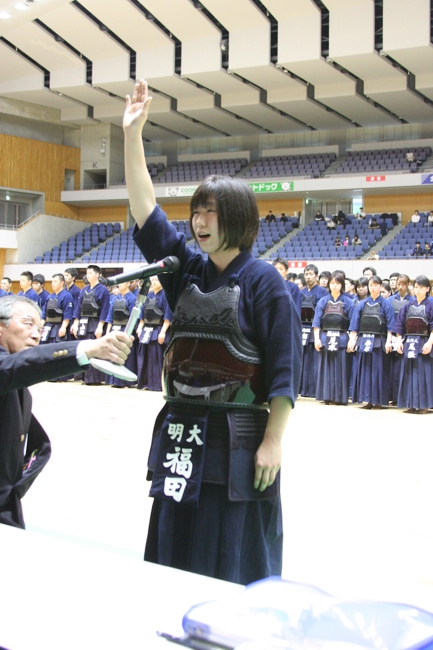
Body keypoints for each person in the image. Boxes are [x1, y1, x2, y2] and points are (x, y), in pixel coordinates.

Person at [123, 79, 302, 585]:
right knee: (174, 542)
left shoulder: (266, 283)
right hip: (182, 430)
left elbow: (285, 373)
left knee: (230, 549)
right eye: (196, 212)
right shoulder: (183, 270)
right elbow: (145, 209)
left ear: (237, 219)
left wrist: (273, 442)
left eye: (211, 212)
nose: (199, 221)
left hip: (237, 438)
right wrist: (132, 136)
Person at [0, 295, 132, 529]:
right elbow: (14, 367)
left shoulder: (16, 374)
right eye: (28, 323)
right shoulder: (9, 367)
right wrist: (87, 348)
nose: (36, 334)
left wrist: (15, 486)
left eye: (39, 327)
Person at [348, 276, 395, 409]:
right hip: (363, 341)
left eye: (375, 285)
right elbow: (355, 324)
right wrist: (352, 340)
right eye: (371, 285)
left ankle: (378, 401)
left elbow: (391, 326)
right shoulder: (362, 304)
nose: (373, 288)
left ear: (380, 286)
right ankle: (367, 400)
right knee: (365, 371)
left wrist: (389, 341)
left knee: (378, 371)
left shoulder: (386, 304)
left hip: (379, 341)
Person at [313, 272, 354, 406]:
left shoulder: (348, 302)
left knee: (340, 369)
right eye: (332, 283)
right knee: (326, 368)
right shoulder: (323, 301)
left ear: (342, 285)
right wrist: (317, 339)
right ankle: (326, 396)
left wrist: (352, 340)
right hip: (325, 337)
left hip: (341, 338)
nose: (334, 286)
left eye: (337, 283)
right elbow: (316, 323)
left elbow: (353, 324)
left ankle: (339, 397)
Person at [395, 275, 433, 414]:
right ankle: (410, 403)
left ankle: (424, 405)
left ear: (427, 289)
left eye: (421, 287)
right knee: (409, 373)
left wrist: (430, 342)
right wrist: (398, 340)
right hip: (409, 342)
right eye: (416, 287)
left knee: (423, 374)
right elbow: (399, 325)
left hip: (423, 342)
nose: (417, 290)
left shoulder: (431, 305)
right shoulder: (408, 305)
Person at [71, 265, 111, 385]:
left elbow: (105, 309)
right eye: (86, 273)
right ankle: (85, 377)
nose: (87, 275)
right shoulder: (84, 290)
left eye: (90, 273)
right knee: (83, 350)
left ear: (97, 275)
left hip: (95, 322)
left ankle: (96, 378)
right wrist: (76, 322)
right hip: (84, 323)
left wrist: (100, 326)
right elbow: (78, 307)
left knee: (94, 350)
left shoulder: (103, 290)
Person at [136, 276, 172, 391]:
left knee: (158, 358)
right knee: (146, 358)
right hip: (147, 330)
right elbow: (142, 315)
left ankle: (159, 384)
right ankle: (147, 383)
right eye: (152, 281)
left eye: (156, 280)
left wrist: (163, 332)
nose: (154, 282)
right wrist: (139, 328)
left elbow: (168, 316)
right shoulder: (148, 295)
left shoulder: (166, 295)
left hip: (159, 329)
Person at [300, 264, 328, 398]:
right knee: (303, 360)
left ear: (316, 276)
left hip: (316, 330)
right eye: (306, 274)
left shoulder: (323, 292)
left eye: (311, 274)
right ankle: (302, 389)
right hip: (302, 328)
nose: (308, 277)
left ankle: (314, 390)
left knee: (314, 361)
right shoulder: (301, 292)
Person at [106, 281, 138, 388]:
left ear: (128, 284)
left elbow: (133, 317)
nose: (119, 285)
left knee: (125, 355)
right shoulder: (115, 298)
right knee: (114, 353)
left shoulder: (132, 298)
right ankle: (115, 380)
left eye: (122, 283)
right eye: (119, 283)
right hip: (115, 328)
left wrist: (128, 332)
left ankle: (126, 381)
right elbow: (110, 316)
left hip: (126, 329)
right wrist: (107, 331)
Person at [388, 274, 411, 405]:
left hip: (407, 337)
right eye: (399, 284)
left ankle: (404, 397)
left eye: (403, 284)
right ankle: (394, 397)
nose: (401, 287)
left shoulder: (412, 300)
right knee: (393, 369)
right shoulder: (390, 300)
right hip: (392, 337)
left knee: (405, 368)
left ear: (408, 285)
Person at [40, 274, 74, 345]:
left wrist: (63, 327)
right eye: (52, 281)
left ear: (62, 283)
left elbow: (67, 315)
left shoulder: (66, 296)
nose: (53, 283)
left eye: (55, 281)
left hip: (60, 326)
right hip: (48, 327)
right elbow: (44, 314)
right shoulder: (49, 297)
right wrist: (40, 327)